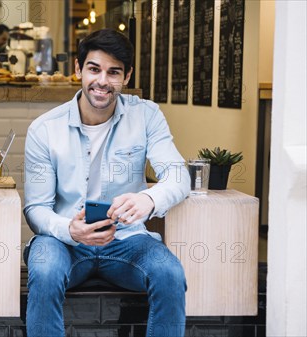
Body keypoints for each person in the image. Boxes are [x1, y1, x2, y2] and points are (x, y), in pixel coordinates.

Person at [23, 28, 190, 337]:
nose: (102, 81)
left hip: (127, 241)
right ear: (78, 69)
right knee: (44, 269)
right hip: (64, 242)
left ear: (126, 76)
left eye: (113, 72)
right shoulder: (44, 130)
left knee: (170, 273)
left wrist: (149, 199)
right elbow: (36, 209)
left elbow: (179, 175)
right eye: (94, 69)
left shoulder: (147, 116)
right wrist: (70, 230)